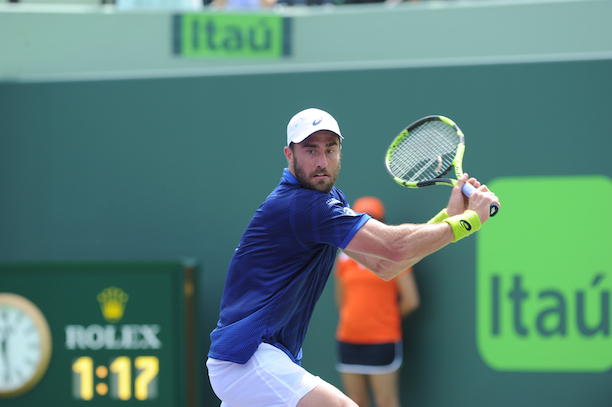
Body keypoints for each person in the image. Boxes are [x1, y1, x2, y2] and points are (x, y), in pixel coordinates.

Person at [206, 107, 500, 407]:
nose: (322, 162)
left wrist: (449, 217)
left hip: (260, 359)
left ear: (340, 153)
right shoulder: (302, 206)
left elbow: (385, 266)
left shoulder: (329, 200)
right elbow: (395, 247)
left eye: (330, 149)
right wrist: (469, 220)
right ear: (289, 155)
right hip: (247, 357)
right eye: (310, 150)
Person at [334, 196, 419, 407]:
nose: (367, 226)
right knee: (354, 403)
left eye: (374, 220)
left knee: (385, 402)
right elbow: (341, 300)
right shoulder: (343, 258)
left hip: (382, 341)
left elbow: (410, 300)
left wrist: (384, 320)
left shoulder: (395, 256)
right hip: (349, 339)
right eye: (362, 220)